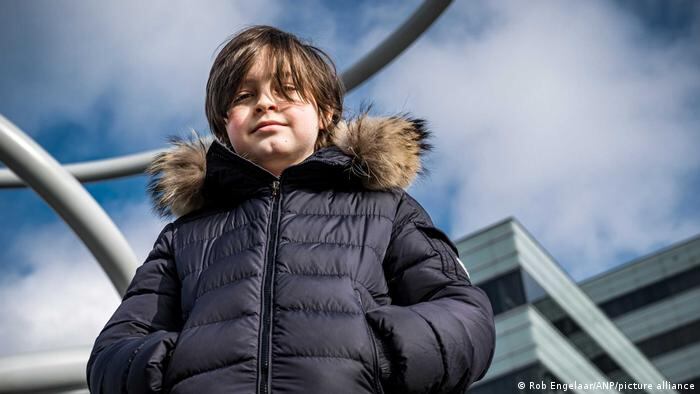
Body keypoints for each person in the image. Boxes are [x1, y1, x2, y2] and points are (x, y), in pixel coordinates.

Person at [86, 25, 495, 394]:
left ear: (325, 113)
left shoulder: (385, 208)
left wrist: (378, 355)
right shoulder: (185, 235)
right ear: (225, 126)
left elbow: (464, 314)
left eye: (286, 90)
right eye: (244, 97)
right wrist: (174, 369)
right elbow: (113, 350)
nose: (265, 104)